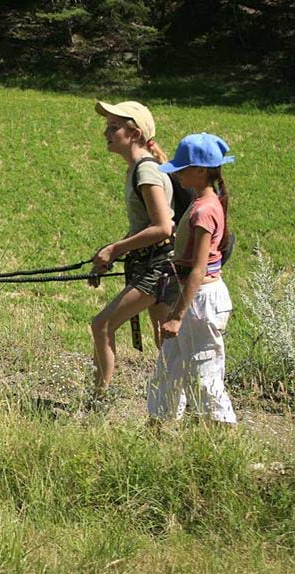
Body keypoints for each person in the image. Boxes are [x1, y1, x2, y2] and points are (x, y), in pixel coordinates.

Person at [90, 101, 179, 398]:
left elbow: (163, 227)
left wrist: (115, 249)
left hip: (158, 266)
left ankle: (99, 399)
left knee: (102, 325)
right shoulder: (137, 169)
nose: (106, 132)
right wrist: (109, 253)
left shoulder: (146, 172)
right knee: (164, 338)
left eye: (114, 127)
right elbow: (146, 226)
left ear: (135, 133)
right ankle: (177, 401)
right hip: (155, 263)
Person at [147, 133, 236, 424]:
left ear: (201, 171)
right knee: (170, 365)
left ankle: (220, 435)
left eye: (183, 169)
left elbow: (198, 269)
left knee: (204, 370)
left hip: (200, 301)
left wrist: (176, 316)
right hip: (190, 296)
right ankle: (158, 427)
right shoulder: (204, 201)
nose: (178, 174)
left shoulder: (204, 211)